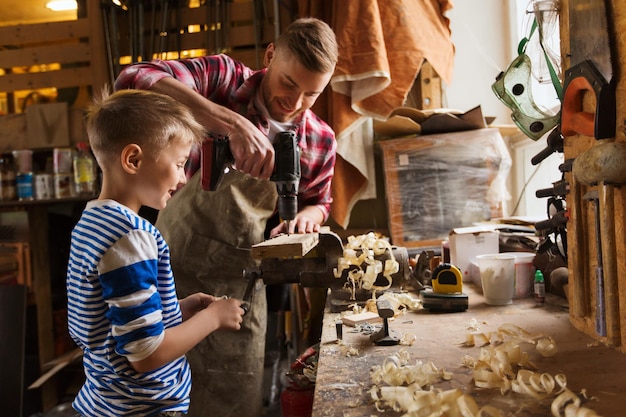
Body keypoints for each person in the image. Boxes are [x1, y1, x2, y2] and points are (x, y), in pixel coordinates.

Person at [114, 17, 338, 417]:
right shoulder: (225, 79)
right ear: (270, 55)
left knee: (234, 396)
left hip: (241, 287)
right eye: (288, 83)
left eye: (311, 93)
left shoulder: (319, 138)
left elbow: (321, 200)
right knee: (160, 393)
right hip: (174, 274)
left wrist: (307, 215)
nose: (296, 102)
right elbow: (133, 78)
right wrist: (226, 119)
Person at [66, 88, 247, 417]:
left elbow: (113, 322)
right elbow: (145, 355)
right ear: (133, 160)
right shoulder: (130, 238)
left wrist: (177, 310)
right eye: (179, 164)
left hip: (107, 402)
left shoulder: (91, 223)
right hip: (143, 409)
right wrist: (212, 318)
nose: (181, 178)